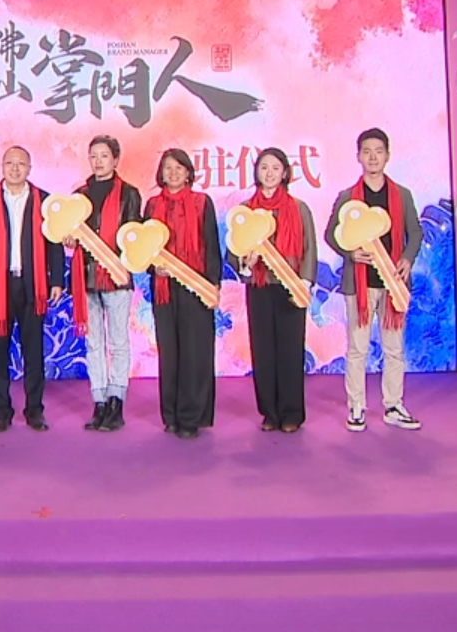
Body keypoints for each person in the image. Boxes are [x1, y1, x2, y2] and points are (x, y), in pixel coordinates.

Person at [326, 128, 423, 432]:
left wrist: (407, 258)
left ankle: (393, 405)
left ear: (387, 156)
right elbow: (331, 234)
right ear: (358, 156)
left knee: (394, 349)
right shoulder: (347, 197)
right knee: (358, 348)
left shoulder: (402, 195)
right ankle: (356, 406)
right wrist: (350, 252)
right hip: (360, 285)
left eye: (378, 151)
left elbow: (415, 232)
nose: (372, 157)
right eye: (366, 151)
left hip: (393, 283)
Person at [0, 146, 66, 432]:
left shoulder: (44, 201)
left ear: (29, 168)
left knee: (33, 351)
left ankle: (35, 410)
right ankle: (2, 411)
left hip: (32, 285)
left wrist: (56, 280)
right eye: (9, 163)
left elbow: (54, 242)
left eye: (21, 163)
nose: (15, 168)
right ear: (2, 166)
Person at [229, 147, 316, 433]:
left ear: (285, 173)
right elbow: (233, 251)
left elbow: (309, 247)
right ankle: (269, 412)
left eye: (275, 168)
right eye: (264, 167)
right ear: (256, 171)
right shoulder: (245, 210)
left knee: (290, 350)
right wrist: (245, 262)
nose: (269, 173)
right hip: (260, 286)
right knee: (263, 350)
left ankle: (291, 413)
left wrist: (304, 283)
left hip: (290, 286)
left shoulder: (298, 208)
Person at [145, 148, 221, 438]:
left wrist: (213, 284)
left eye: (179, 168)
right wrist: (153, 267)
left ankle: (191, 417)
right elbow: (142, 248)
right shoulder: (152, 205)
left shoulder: (202, 203)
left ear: (188, 172)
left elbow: (211, 244)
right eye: (168, 168)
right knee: (170, 352)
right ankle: (171, 415)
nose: (173, 173)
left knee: (195, 352)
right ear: (161, 173)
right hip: (164, 288)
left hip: (195, 286)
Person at [68, 135, 141, 433]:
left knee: (118, 342)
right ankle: (98, 401)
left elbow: (134, 234)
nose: (98, 161)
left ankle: (116, 401)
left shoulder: (130, 194)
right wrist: (68, 238)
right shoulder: (78, 196)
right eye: (93, 156)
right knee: (94, 342)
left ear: (115, 159)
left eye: (104, 156)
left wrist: (115, 259)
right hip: (85, 276)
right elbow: (69, 231)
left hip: (117, 276)